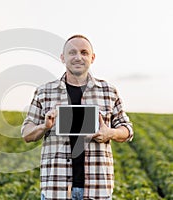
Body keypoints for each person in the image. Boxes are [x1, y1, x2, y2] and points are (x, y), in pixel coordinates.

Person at [21, 35, 133, 200]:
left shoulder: (108, 91)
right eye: (72, 52)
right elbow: (26, 134)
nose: (78, 57)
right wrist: (44, 126)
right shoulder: (44, 92)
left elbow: (127, 129)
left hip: (98, 189)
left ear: (92, 58)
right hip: (55, 189)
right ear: (62, 57)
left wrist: (110, 133)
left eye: (84, 52)